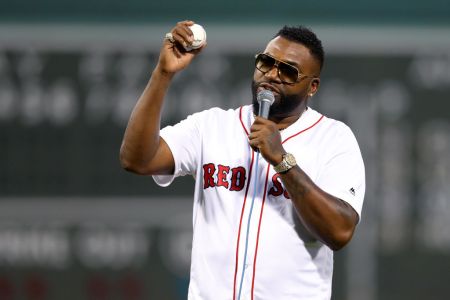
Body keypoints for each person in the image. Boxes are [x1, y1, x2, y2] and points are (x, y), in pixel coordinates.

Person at [120, 20, 365, 300]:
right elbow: (137, 159)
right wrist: (163, 73)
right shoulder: (211, 126)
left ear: (312, 87)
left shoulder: (333, 138)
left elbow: (340, 231)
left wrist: (283, 161)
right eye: (267, 62)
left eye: (288, 71)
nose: (272, 74)